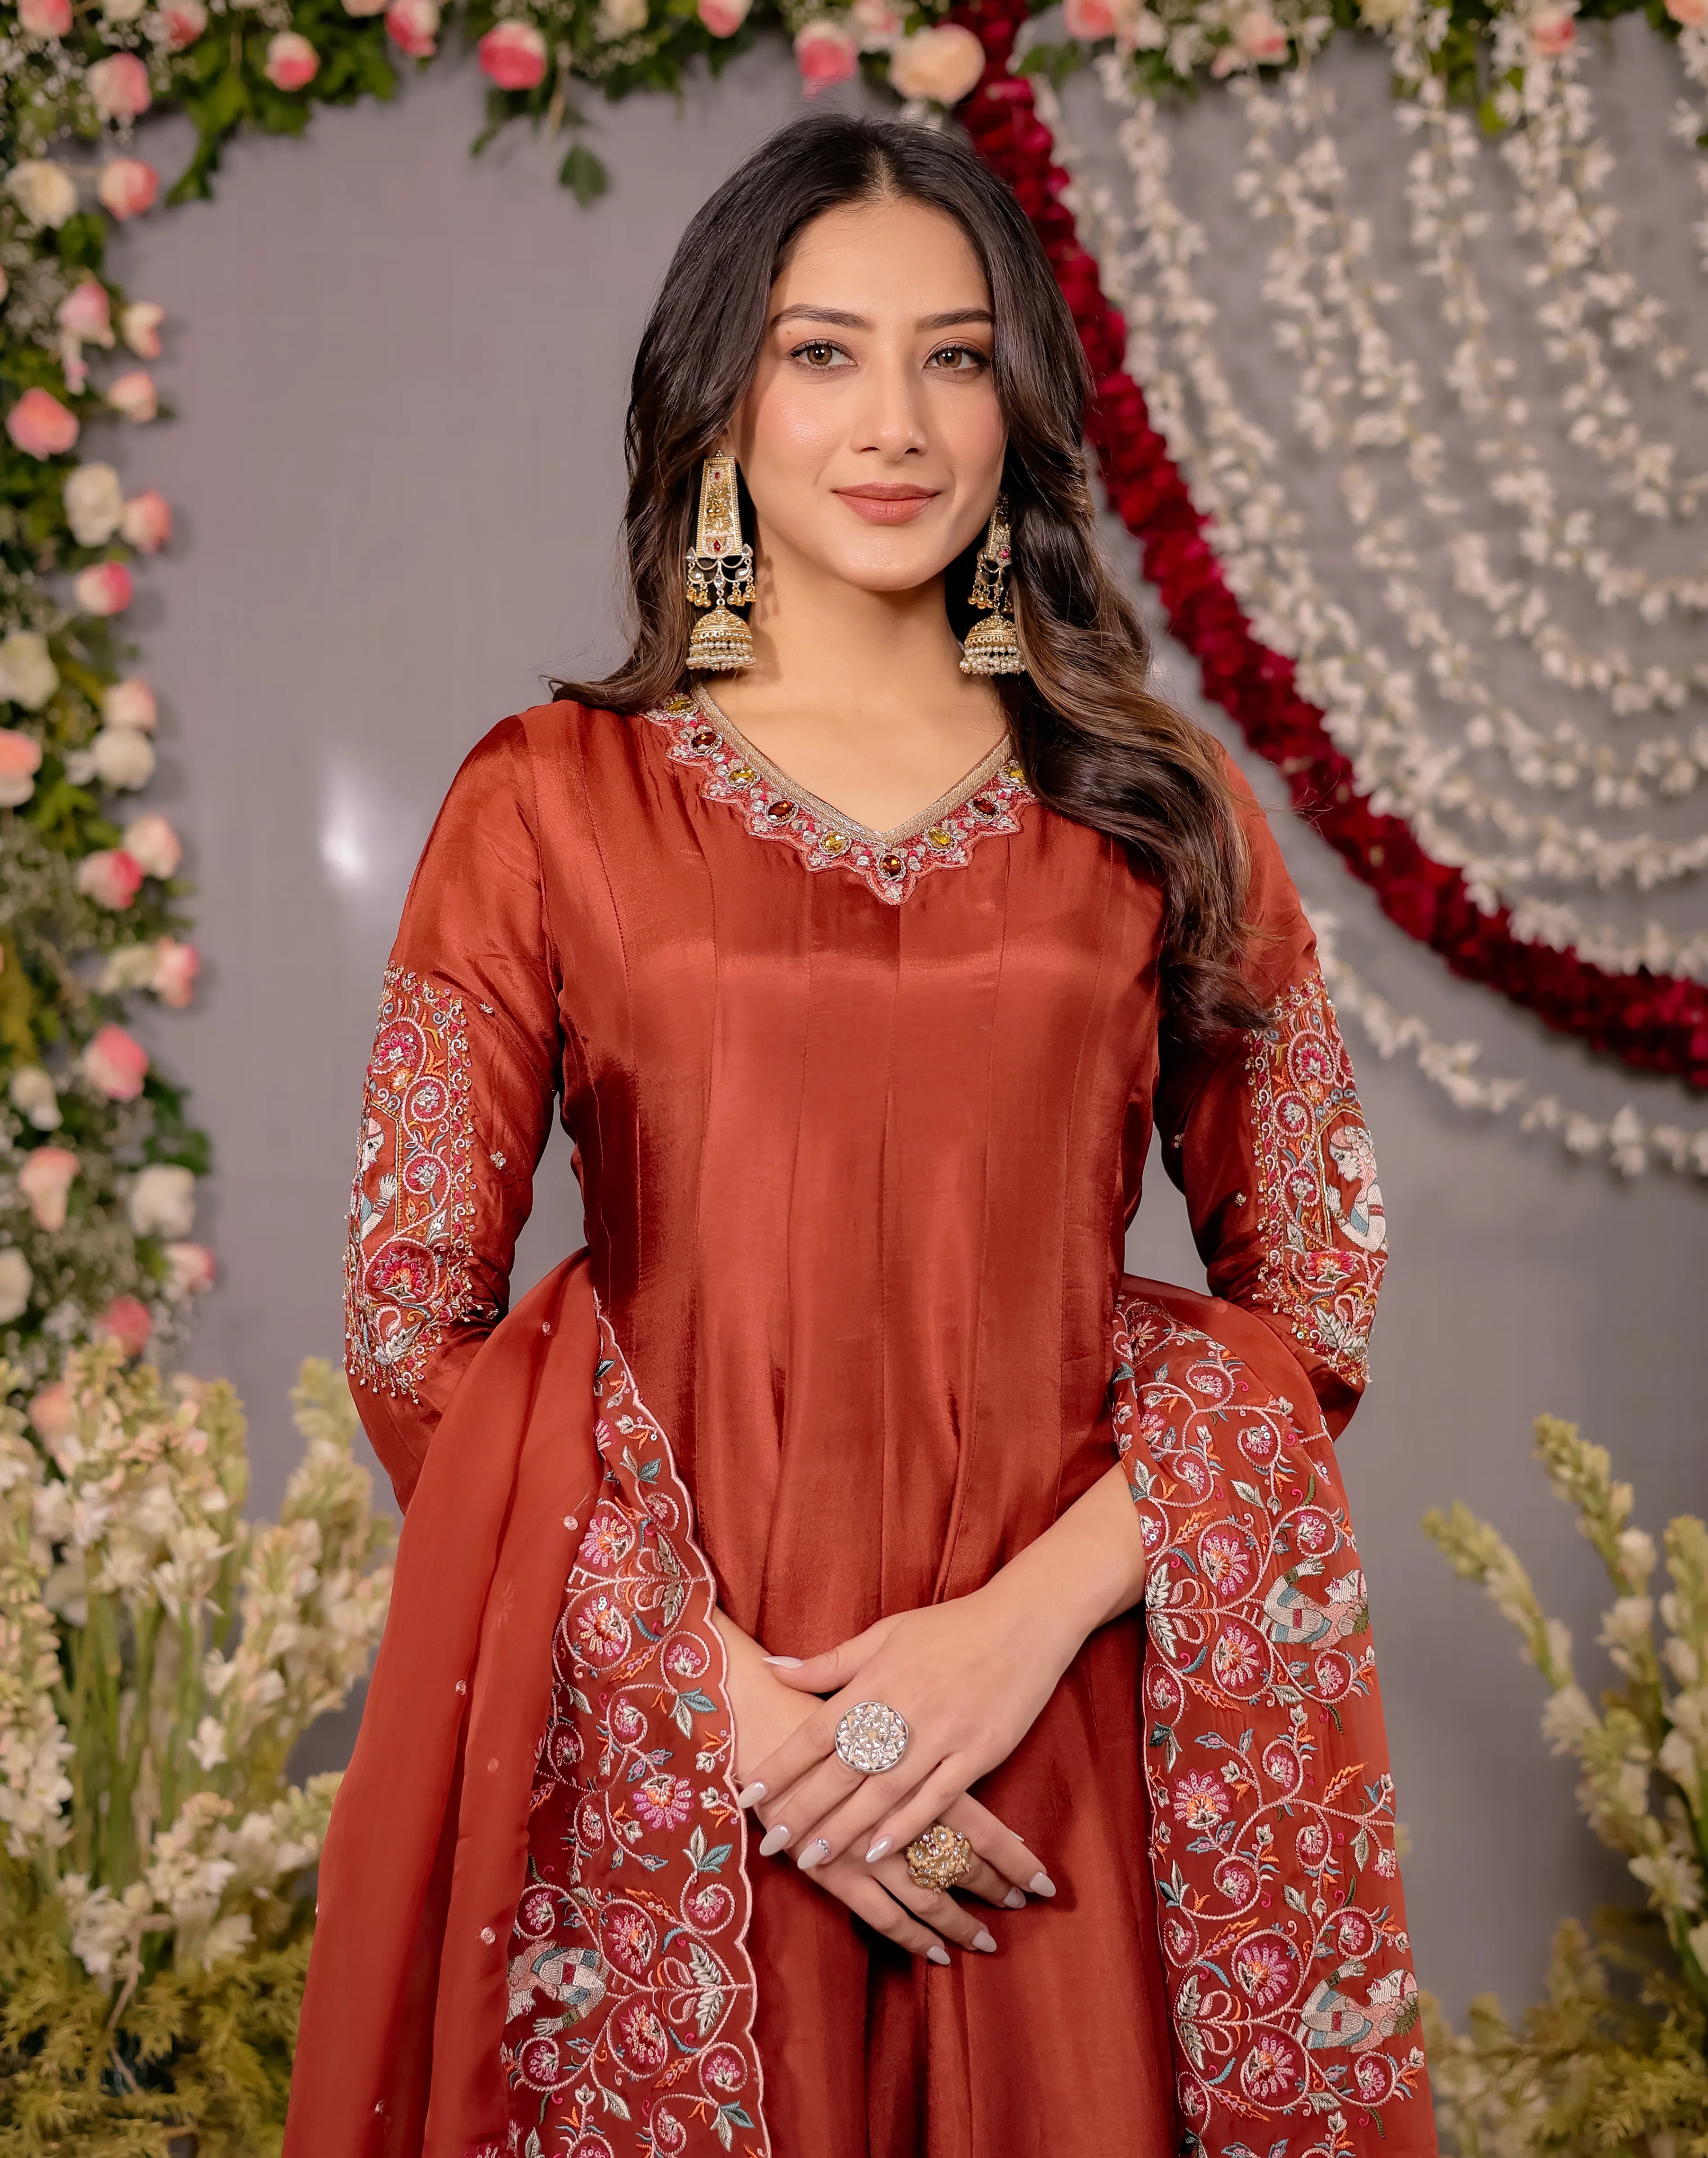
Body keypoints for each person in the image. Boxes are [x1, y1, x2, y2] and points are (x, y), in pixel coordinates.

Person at [284, 110, 1432, 2158]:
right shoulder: (548, 801)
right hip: (670, 1742)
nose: (891, 420)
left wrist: (1010, 1636)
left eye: (952, 354)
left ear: (1018, 411)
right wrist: (733, 1716)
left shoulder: (1151, 807)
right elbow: (411, 1333)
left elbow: (1312, 1292)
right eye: (821, 353)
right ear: (715, 397)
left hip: (1059, 1740)